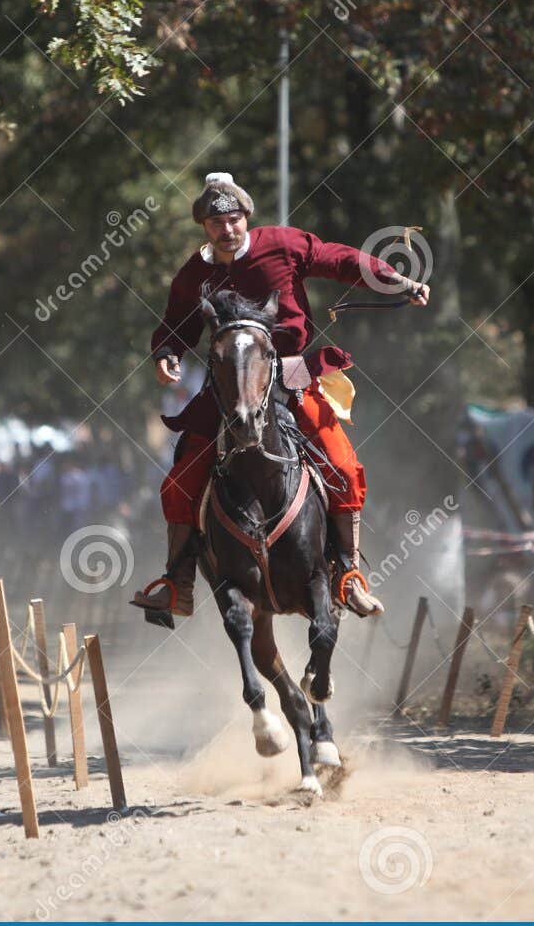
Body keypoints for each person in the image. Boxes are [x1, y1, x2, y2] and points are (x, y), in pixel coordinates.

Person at [131, 171, 430, 623]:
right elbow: (177, 325)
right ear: (204, 228)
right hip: (228, 386)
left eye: (233, 219)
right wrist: (166, 353)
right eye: (216, 224)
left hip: (289, 375)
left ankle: (348, 576)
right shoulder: (195, 273)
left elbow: (342, 260)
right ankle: (179, 583)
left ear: (246, 217)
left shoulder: (284, 244)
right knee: (178, 482)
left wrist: (397, 281)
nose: (226, 229)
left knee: (344, 467)